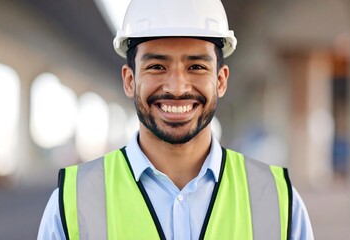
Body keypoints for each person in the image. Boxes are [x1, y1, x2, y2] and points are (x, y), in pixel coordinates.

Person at [38, 0, 314, 239]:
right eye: (157, 67)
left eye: (196, 67)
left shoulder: (280, 202)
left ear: (220, 80)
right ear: (130, 80)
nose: (177, 87)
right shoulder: (71, 203)